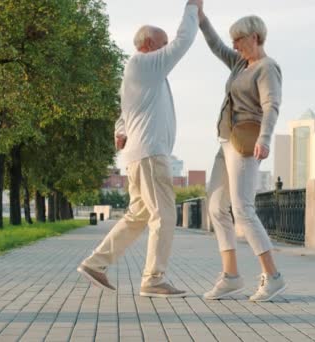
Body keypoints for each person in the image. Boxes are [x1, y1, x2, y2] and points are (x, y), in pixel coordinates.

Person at [77, 0, 202, 298]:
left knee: (138, 215)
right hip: (150, 154)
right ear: (147, 45)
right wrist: (192, 7)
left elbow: (126, 113)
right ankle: (154, 279)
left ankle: (96, 264)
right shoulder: (143, 64)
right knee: (165, 215)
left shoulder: (143, 75)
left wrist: (120, 131)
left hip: (140, 155)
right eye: (162, 43)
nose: (167, 46)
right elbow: (184, 42)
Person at [198, 7, 286, 302]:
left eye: (239, 39)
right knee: (215, 208)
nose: (234, 45)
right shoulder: (239, 64)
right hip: (226, 141)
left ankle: (273, 277)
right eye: (233, 40)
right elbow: (215, 46)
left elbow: (271, 104)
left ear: (256, 37)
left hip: (247, 143)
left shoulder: (266, 67)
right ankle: (231, 277)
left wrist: (265, 138)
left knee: (243, 210)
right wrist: (201, 17)